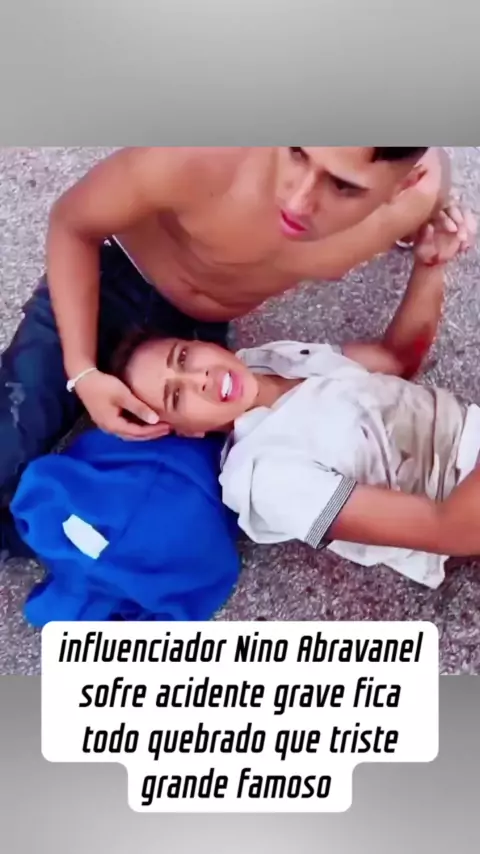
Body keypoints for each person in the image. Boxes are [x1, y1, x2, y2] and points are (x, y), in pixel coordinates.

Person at [0, 148, 475, 517]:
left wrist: (430, 249)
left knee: (168, 497)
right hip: (118, 280)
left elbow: (398, 355)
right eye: (297, 152)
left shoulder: (413, 200)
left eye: (343, 186)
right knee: (11, 440)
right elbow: (73, 222)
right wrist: (82, 370)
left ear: (400, 187)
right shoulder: (197, 156)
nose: (298, 199)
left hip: (202, 339)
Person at [110, 217, 480, 589]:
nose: (199, 378)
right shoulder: (266, 478)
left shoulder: (263, 361)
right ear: (189, 431)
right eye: (177, 396)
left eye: (184, 357)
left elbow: (394, 360)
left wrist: (430, 265)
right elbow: (451, 530)